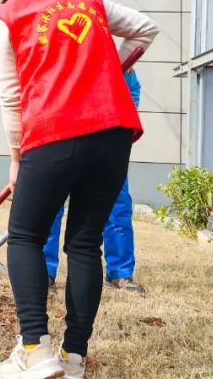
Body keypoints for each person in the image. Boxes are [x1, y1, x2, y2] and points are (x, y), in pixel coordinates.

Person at [0, 0, 158, 379]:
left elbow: (11, 94)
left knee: (23, 236)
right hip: (113, 133)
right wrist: (109, 68)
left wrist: (17, 157)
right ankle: (75, 357)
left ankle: (36, 351)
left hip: (54, 134)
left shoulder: (8, 17)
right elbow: (145, 28)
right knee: (83, 243)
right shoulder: (89, 0)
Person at [44, 69, 144, 294]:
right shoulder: (64, 53)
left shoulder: (116, 61)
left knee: (118, 208)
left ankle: (120, 272)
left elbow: (132, 93)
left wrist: (117, 129)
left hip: (105, 145)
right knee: (49, 208)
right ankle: (44, 272)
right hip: (62, 140)